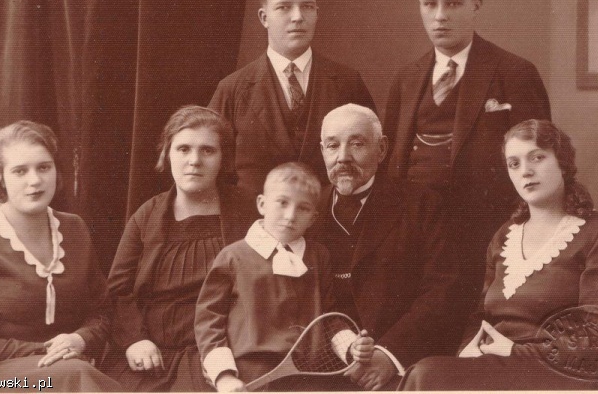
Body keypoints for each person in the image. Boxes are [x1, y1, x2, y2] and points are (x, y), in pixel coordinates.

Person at [400, 119, 598, 390]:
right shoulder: (505, 235)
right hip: (499, 367)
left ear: (563, 163)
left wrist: (515, 351)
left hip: (563, 375)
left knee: (428, 375)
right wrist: (469, 348)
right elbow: (480, 315)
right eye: (514, 164)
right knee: (428, 373)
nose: (526, 171)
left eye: (537, 158)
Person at [383, 0, 551, 316]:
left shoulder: (515, 73)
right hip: (415, 242)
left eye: (453, 4)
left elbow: (542, 167)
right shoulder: (406, 78)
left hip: (484, 241)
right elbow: (389, 166)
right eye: (430, 4)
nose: (440, 16)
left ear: (476, 6)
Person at [0, 121, 121, 391]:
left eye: (44, 167)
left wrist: (80, 339)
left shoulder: (75, 229)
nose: (35, 181)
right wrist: (48, 350)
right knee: (76, 374)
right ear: (0, 178)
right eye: (20, 171)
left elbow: (101, 311)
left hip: (66, 366)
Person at [103, 106, 257, 392]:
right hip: (150, 356)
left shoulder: (247, 214)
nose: (194, 161)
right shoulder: (147, 216)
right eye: (183, 149)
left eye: (207, 151)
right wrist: (135, 340)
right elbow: (118, 290)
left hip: (220, 355)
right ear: (167, 154)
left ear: (223, 159)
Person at [311, 104, 458, 391]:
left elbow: (442, 290)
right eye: (333, 145)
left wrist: (389, 355)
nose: (343, 157)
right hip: (325, 366)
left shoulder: (422, 205)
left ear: (381, 149)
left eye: (357, 144)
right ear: (322, 150)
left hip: (401, 365)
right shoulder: (307, 212)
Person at [195, 162, 374, 391]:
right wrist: (224, 376)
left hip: (310, 376)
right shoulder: (233, 257)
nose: (290, 216)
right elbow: (209, 322)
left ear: (313, 218)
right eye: (282, 203)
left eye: (303, 208)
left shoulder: (318, 256)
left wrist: (351, 346)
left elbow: (328, 316)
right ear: (262, 204)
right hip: (250, 374)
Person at [209, 0, 375, 194]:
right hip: (253, 214)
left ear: (317, 13)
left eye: (307, 7)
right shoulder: (232, 89)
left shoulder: (347, 83)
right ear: (264, 18)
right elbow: (212, 167)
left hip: (331, 213)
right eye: (284, 7)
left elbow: (372, 160)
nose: (297, 17)